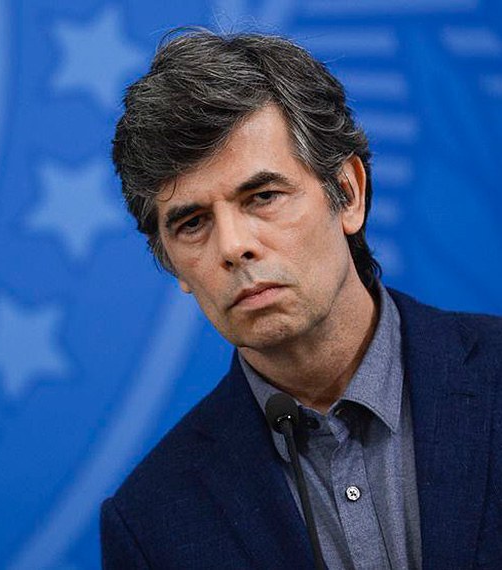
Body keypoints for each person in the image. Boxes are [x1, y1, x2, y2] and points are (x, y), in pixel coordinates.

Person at [101, 30, 502, 569]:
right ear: (172, 262)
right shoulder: (150, 524)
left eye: (263, 196)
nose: (233, 246)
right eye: (192, 223)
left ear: (349, 194)